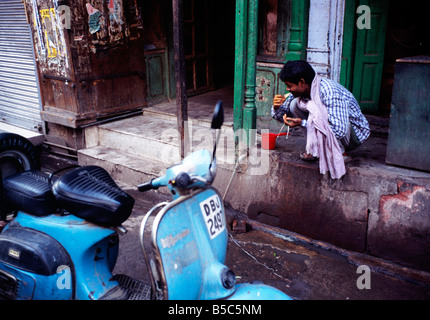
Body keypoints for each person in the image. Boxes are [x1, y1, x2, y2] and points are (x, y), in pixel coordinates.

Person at [271, 60, 370, 179]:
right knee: (294, 105)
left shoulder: (329, 91)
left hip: (352, 135)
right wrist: (276, 107)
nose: (287, 89)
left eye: (289, 85)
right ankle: (314, 149)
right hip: (335, 129)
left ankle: (340, 151)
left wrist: (303, 123)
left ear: (302, 82)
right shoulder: (300, 92)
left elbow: (340, 130)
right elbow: (281, 118)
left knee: (321, 111)